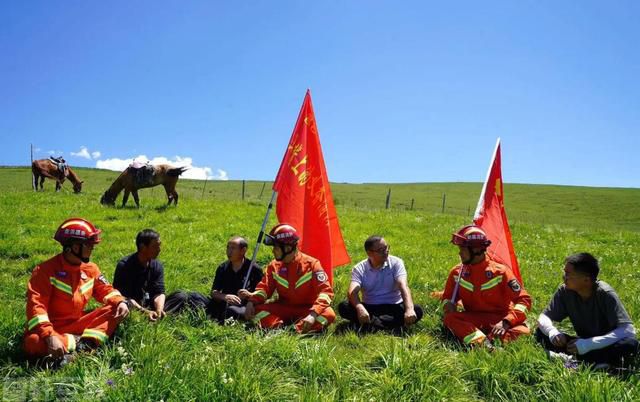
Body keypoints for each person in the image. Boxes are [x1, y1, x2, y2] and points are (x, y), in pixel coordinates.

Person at [24, 218, 129, 367]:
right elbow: (36, 308)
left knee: (115, 308)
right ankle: (80, 345)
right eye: (88, 244)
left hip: (77, 323)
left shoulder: (91, 269)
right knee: (33, 342)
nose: (92, 248)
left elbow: (106, 290)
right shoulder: (45, 271)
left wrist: (120, 301)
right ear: (73, 246)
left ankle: (83, 348)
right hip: (52, 327)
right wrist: (49, 336)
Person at [536, 252, 638, 370]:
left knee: (630, 345)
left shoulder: (605, 293)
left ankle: (577, 360)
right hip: (580, 344)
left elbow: (628, 330)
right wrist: (553, 333)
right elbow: (544, 317)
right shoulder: (565, 291)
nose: (564, 277)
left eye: (568, 274)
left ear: (586, 280)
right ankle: (595, 363)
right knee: (541, 332)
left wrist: (589, 344)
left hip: (605, 344)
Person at [441, 225, 531, 348]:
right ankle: (484, 345)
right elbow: (447, 297)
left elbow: (524, 300)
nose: (459, 252)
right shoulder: (457, 272)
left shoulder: (501, 272)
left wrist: (506, 322)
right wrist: (448, 305)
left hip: (500, 318)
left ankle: (484, 336)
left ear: (476, 250)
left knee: (524, 331)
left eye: (463, 249)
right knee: (449, 319)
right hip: (473, 317)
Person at [244, 223, 335, 333]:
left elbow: (326, 292)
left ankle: (295, 330)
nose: (273, 251)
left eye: (276, 248)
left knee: (329, 314)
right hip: (283, 307)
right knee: (256, 311)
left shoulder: (312, 264)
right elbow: (264, 289)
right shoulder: (274, 265)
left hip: (308, 309)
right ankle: (278, 328)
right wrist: (251, 301)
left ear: (287, 248)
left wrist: (313, 314)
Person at [337, 235, 422, 331]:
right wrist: (360, 308)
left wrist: (409, 309)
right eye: (380, 250)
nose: (385, 252)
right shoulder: (359, 268)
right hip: (370, 307)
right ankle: (391, 325)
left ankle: (371, 325)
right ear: (369, 253)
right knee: (343, 307)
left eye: (386, 248)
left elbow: (403, 286)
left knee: (417, 310)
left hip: (394, 305)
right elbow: (352, 292)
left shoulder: (396, 263)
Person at [113, 229, 166, 321]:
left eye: (159, 245)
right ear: (143, 247)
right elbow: (123, 297)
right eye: (155, 246)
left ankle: (157, 315)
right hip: (131, 305)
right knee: (124, 307)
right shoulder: (125, 266)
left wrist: (159, 310)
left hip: (150, 302)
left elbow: (159, 292)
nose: (159, 250)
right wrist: (145, 312)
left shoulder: (157, 265)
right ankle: (145, 317)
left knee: (181, 297)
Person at [208, 236, 263, 323]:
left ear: (243, 250)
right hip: (224, 303)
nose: (229, 252)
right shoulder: (223, 267)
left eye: (233, 248)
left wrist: (249, 295)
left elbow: (261, 293)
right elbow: (214, 292)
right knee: (192, 297)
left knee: (232, 311)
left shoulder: (254, 269)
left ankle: (220, 319)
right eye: (228, 248)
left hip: (244, 306)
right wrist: (225, 297)